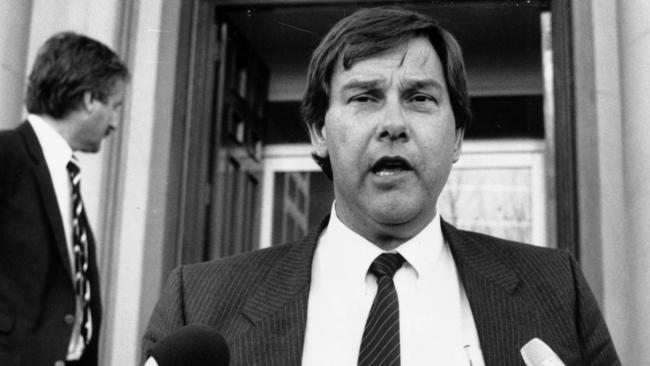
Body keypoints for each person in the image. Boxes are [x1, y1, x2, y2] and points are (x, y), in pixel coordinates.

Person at [142, 7, 620, 365]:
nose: (393, 123)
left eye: (420, 97)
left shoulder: (557, 290)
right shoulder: (199, 301)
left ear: (456, 136)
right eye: (365, 97)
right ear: (318, 132)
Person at [0, 32, 129, 365]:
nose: (115, 123)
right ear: (88, 100)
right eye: (115, 107)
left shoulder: (65, 173)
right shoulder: (6, 155)